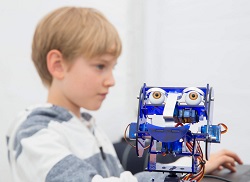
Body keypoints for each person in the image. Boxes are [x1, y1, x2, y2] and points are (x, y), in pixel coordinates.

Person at [6, 6, 242, 182]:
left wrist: (186, 168)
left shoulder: (88, 127)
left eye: (112, 67)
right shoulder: (33, 134)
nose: (110, 80)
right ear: (58, 65)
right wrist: (178, 171)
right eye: (100, 66)